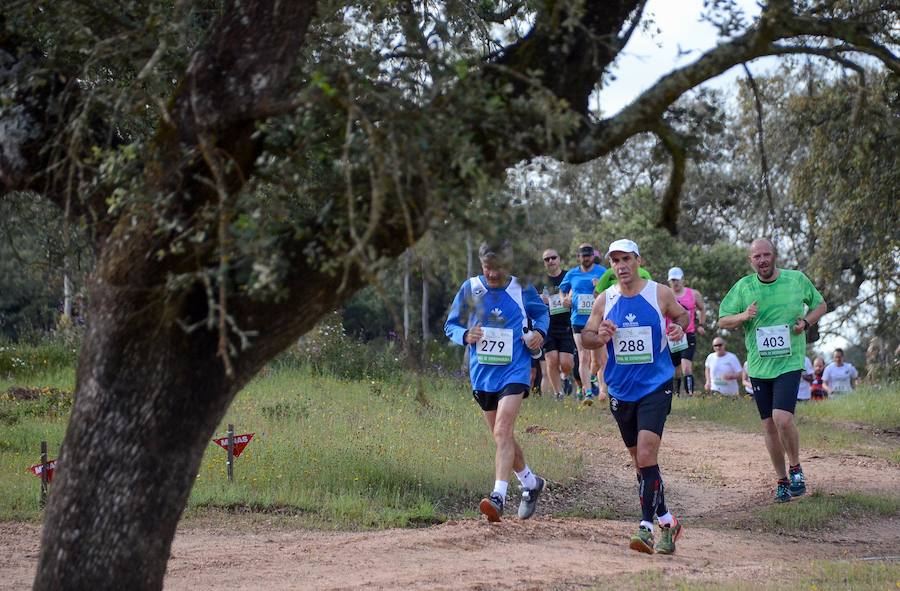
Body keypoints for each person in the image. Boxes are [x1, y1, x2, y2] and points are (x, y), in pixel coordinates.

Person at [581, 239, 688, 555]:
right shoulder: (605, 299)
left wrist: (679, 328)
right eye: (615, 261)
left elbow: (682, 316)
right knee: (641, 464)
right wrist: (598, 336)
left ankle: (645, 528)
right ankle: (667, 521)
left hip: (656, 385)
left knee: (645, 454)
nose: (621, 266)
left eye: (626, 259)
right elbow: (586, 337)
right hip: (620, 389)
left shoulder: (659, 293)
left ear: (638, 260)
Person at [444, 240, 550, 522]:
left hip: (515, 370)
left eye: (497, 268)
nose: (491, 274)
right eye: (487, 267)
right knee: (502, 436)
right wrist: (465, 335)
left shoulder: (521, 288)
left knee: (503, 430)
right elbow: (451, 324)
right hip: (482, 375)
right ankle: (531, 483)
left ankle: (497, 497)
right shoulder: (470, 288)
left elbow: (541, 313)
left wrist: (540, 332)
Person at [718, 238, 827, 503]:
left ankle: (796, 467)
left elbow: (820, 305)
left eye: (766, 255)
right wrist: (744, 316)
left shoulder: (796, 279)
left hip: (789, 362)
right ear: (750, 260)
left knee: (782, 418)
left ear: (774, 255)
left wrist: (806, 322)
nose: (763, 260)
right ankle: (781, 480)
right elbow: (722, 320)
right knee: (768, 425)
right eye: (757, 257)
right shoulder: (744, 287)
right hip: (759, 367)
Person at [560, 243, 607, 403]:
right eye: (583, 255)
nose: (586, 258)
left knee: (599, 360)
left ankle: (597, 382)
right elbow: (562, 289)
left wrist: (599, 288)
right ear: (578, 257)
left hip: (597, 320)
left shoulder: (602, 272)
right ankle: (588, 393)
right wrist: (563, 300)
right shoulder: (572, 274)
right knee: (583, 356)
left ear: (593, 256)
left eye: (589, 255)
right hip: (578, 320)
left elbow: (613, 290)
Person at [540, 248, 577, 400]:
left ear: (559, 259)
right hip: (548, 326)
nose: (550, 261)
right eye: (547, 259)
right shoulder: (540, 280)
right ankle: (558, 394)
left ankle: (565, 376)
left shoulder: (569, 276)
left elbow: (577, 291)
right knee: (551, 359)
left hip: (566, 324)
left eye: (553, 257)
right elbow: (532, 299)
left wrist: (570, 298)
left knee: (566, 363)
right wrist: (539, 298)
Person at [666, 267, 706, 397]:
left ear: (683, 280)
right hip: (671, 336)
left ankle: (690, 394)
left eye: (677, 280)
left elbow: (702, 308)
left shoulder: (693, 294)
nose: (675, 283)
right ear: (669, 281)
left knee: (686, 367)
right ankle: (676, 395)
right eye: (673, 280)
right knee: (675, 370)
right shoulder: (665, 295)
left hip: (687, 334)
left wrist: (701, 324)